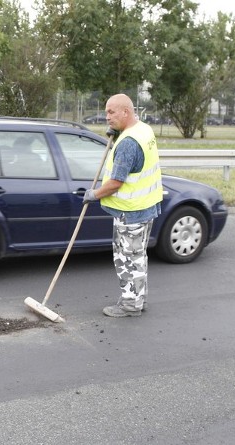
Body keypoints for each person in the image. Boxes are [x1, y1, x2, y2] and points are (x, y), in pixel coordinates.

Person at [83, 94, 163, 317]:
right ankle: (139, 299)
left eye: (111, 112)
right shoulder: (143, 130)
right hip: (146, 208)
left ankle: (130, 305)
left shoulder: (128, 144)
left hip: (131, 213)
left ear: (126, 112)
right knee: (138, 257)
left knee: (127, 259)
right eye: (106, 112)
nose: (106, 116)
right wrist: (117, 133)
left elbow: (116, 183)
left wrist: (94, 194)